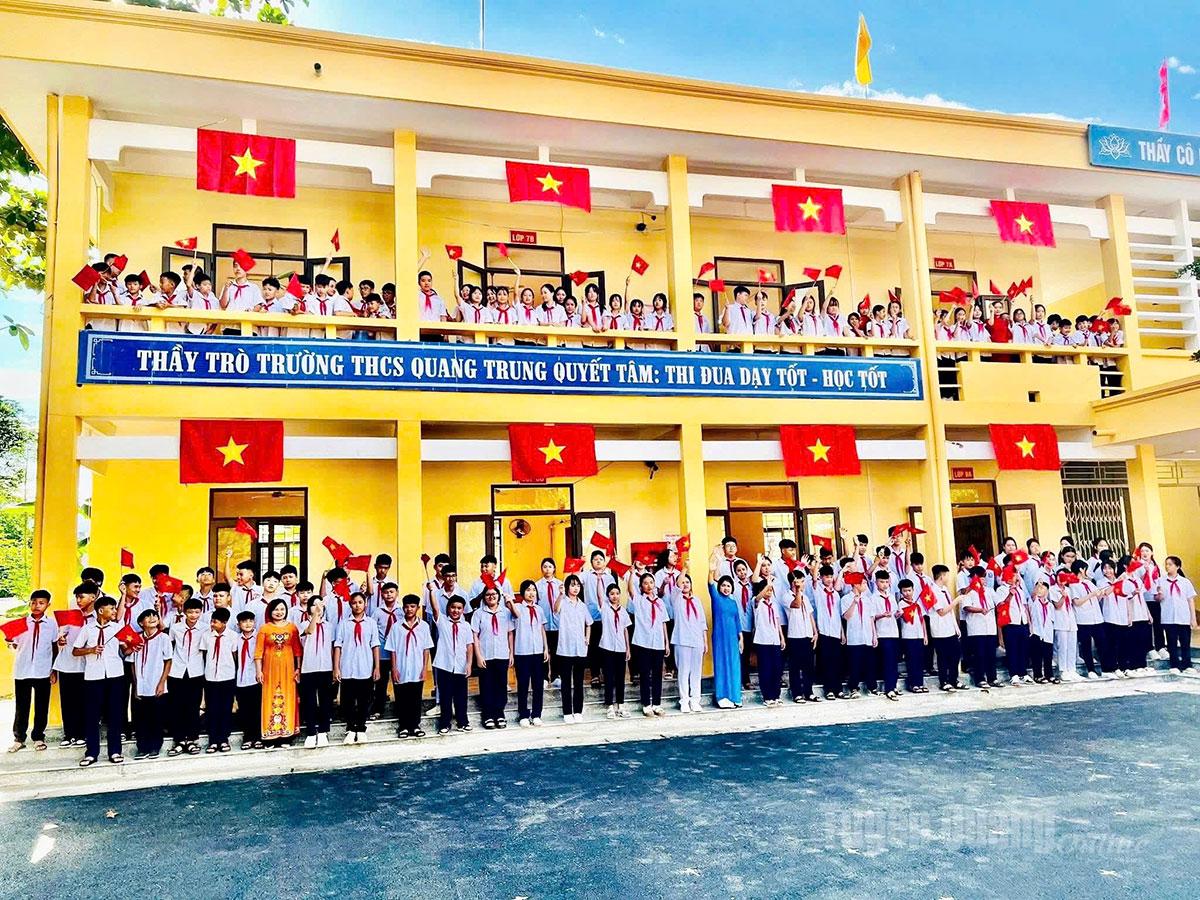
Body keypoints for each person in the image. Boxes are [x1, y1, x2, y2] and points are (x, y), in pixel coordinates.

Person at [72, 595, 127, 766]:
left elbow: (127, 648)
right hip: (93, 676)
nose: (114, 611)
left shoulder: (118, 628)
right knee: (92, 715)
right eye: (111, 608)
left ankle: (115, 751)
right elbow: (75, 651)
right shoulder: (88, 629)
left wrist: (128, 646)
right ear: (101, 611)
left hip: (115, 675)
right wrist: (91, 649)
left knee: (115, 715)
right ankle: (91, 752)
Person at [7, 589, 58, 753]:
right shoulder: (20, 623)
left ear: (48, 605)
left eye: (41, 603)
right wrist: (10, 642)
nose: (37, 606)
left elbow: (54, 646)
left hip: (43, 670)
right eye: (34, 602)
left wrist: (54, 670)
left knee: (42, 705)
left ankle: (38, 736)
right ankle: (19, 737)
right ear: (30, 603)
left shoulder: (52, 625)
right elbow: (13, 644)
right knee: (22, 705)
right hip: (22, 669)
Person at [53, 582, 98, 748]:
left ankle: (82, 733)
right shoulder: (71, 616)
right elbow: (61, 633)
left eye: (81, 597)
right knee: (68, 701)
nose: (78, 600)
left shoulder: (98, 618)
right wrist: (61, 638)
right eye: (76, 597)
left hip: (87, 666)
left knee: (85, 701)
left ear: (93, 597)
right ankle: (69, 733)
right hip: (67, 664)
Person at [334, 591, 381, 744]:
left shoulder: (371, 623)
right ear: (350, 604)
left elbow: (375, 645)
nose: (357, 605)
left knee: (364, 700)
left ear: (365, 604)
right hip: (347, 668)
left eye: (360, 602)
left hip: (365, 667)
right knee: (347, 701)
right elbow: (338, 646)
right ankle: (350, 727)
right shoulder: (344, 623)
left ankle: (361, 728)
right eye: (354, 603)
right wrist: (336, 668)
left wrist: (377, 667)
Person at [385, 593, 433, 738]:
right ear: (403, 609)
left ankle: (415, 725)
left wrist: (424, 669)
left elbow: (426, 649)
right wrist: (394, 669)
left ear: (418, 608)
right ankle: (404, 726)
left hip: (417, 668)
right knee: (402, 698)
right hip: (401, 668)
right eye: (406, 607)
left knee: (415, 698)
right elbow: (392, 649)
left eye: (412, 607)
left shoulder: (423, 626)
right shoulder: (396, 627)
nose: (409, 610)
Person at [255, 598, 302, 745]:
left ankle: (286, 735)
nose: (279, 612)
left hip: (288, 670)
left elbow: (297, 651)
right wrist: (259, 671)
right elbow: (258, 652)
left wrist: (298, 668)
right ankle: (270, 736)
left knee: (288, 698)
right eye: (276, 609)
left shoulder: (292, 628)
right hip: (269, 670)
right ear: (270, 611)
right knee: (269, 698)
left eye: (282, 609)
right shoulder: (264, 628)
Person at [167, 598, 206, 756]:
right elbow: (170, 646)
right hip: (177, 671)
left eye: (197, 612)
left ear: (201, 612)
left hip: (196, 671)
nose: (193, 615)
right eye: (190, 612)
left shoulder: (204, 628)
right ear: (184, 612)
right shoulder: (176, 628)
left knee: (193, 706)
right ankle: (179, 740)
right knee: (177, 706)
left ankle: (192, 739)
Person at [629, 572, 670, 716]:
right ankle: (646, 703)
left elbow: (664, 622)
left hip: (658, 642)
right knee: (645, 673)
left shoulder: (660, 602)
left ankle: (657, 703)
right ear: (641, 586)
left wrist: (666, 643)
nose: (649, 585)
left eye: (651, 582)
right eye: (645, 583)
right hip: (643, 642)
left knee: (658, 674)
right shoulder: (639, 600)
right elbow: (630, 590)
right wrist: (630, 574)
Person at [432, 595, 474, 735]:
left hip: (461, 665)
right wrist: (432, 591)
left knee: (461, 696)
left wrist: (469, 664)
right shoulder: (442, 622)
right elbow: (435, 608)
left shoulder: (466, 626)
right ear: (448, 608)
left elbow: (469, 646)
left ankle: (463, 722)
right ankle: (445, 723)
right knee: (445, 696)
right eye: (453, 607)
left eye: (459, 608)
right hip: (444, 665)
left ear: (463, 610)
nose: (456, 610)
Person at [298, 596, 335, 749]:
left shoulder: (329, 626)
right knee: (310, 702)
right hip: (309, 668)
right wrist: (315, 615)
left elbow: (333, 647)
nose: (317, 607)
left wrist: (334, 668)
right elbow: (310, 631)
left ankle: (323, 731)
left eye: (319, 605)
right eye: (313, 605)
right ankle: (311, 732)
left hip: (326, 668)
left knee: (326, 701)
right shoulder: (303, 624)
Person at [554, 574, 591, 723]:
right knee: (566, 682)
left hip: (580, 649)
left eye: (578, 585)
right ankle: (567, 712)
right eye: (572, 585)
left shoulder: (582, 605)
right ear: (567, 587)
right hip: (565, 648)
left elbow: (589, 622)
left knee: (578, 681)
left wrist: (587, 638)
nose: (575, 588)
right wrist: (560, 594)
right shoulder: (563, 602)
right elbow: (555, 609)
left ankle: (578, 711)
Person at [512, 580, 549, 727]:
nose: (531, 593)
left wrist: (546, 648)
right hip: (522, 651)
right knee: (523, 684)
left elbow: (541, 629)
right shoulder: (517, 608)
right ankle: (523, 714)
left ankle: (536, 714)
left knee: (538, 684)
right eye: (528, 590)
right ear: (522, 593)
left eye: (533, 590)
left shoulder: (539, 609)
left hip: (538, 651)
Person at [201, 607, 237, 753]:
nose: (212, 624)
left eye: (215, 622)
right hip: (210, 677)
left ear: (224, 623)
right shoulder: (206, 636)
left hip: (227, 676)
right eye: (211, 621)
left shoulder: (233, 636)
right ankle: (213, 740)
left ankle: (223, 739)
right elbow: (204, 654)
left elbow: (234, 655)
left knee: (225, 708)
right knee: (212, 708)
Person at [671, 573, 707, 713]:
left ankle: (695, 700)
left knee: (696, 672)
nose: (685, 584)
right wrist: (684, 568)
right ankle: (684, 700)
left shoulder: (697, 600)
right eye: (683, 582)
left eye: (688, 582)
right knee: (683, 671)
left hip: (697, 639)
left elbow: (702, 622)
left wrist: (704, 641)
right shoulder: (676, 598)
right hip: (682, 639)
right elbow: (677, 584)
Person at [960, 569, 999, 690]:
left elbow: (999, 603)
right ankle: (980, 679)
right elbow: (966, 607)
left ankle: (992, 678)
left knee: (991, 654)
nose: (982, 580)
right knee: (979, 655)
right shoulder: (970, 592)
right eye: (979, 577)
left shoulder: (989, 590)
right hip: (976, 628)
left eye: (983, 577)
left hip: (990, 627)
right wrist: (980, 610)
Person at [1157, 556, 1197, 674]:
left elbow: (1190, 600)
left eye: (1170, 564)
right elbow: (1157, 598)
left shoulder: (1185, 582)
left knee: (1185, 641)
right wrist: (1159, 596)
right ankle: (1174, 664)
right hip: (1169, 616)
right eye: (1166, 564)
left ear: (1177, 566)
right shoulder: (1161, 581)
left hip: (1183, 616)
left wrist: (1193, 618)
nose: (1167, 566)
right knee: (1171, 642)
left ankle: (1187, 664)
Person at [597, 583, 632, 718]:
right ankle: (610, 706)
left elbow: (625, 630)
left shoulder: (623, 611)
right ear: (608, 596)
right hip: (607, 647)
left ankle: (621, 705)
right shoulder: (605, 608)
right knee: (609, 677)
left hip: (621, 648)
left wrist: (627, 648)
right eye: (612, 594)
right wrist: (600, 578)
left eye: (617, 593)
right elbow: (599, 596)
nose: (615, 596)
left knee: (620, 677)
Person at [708, 574, 743, 709]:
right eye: (723, 585)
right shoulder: (716, 599)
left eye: (728, 586)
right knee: (722, 664)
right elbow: (710, 582)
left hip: (733, 637)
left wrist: (741, 637)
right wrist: (711, 568)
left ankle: (735, 696)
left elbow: (737, 620)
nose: (726, 588)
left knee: (734, 665)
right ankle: (722, 697)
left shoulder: (733, 602)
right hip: (720, 637)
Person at [814, 565, 849, 699]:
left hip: (835, 631)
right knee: (826, 661)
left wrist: (842, 632)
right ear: (821, 577)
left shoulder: (835, 594)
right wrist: (816, 565)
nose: (829, 579)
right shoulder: (818, 591)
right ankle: (828, 689)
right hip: (823, 631)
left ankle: (838, 689)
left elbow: (837, 614)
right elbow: (814, 581)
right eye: (826, 577)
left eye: (830, 577)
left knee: (837, 661)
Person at [994, 566, 1031, 686]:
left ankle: (1023, 672)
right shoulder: (1001, 590)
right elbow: (1001, 606)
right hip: (1010, 623)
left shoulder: (1020, 590)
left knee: (1023, 649)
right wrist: (1010, 594)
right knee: (1012, 649)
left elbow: (1024, 607)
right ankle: (1013, 674)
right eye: (1014, 574)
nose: (1016, 577)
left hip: (1022, 622)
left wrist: (1029, 623)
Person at [752, 578, 786, 706]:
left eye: (771, 590)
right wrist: (768, 583)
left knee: (776, 669)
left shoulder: (774, 604)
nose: (769, 592)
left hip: (774, 640)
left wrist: (781, 637)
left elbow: (777, 621)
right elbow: (758, 598)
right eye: (767, 590)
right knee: (765, 669)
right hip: (763, 640)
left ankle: (776, 695)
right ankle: (767, 696)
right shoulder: (757, 602)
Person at [233, 610, 262, 750]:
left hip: (256, 679)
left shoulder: (259, 637)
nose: (248, 624)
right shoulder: (235, 638)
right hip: (241, 679)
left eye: (251, 621)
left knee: (257, 709)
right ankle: (247, 737)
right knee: (244, 710)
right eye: (244, 621)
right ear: (238, 624)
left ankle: (257, 737)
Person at [372, 581, 401, 719]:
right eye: (386, 592)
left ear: (397, 593)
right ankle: (378, 709)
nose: (389, 595)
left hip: (398, 652)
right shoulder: (377, 612)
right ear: (382, 594)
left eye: (391, 592)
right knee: (381, 683)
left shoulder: (402, 611)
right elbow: (372, 632)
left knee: (398, 681)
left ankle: (399, 707)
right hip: (382, 652)